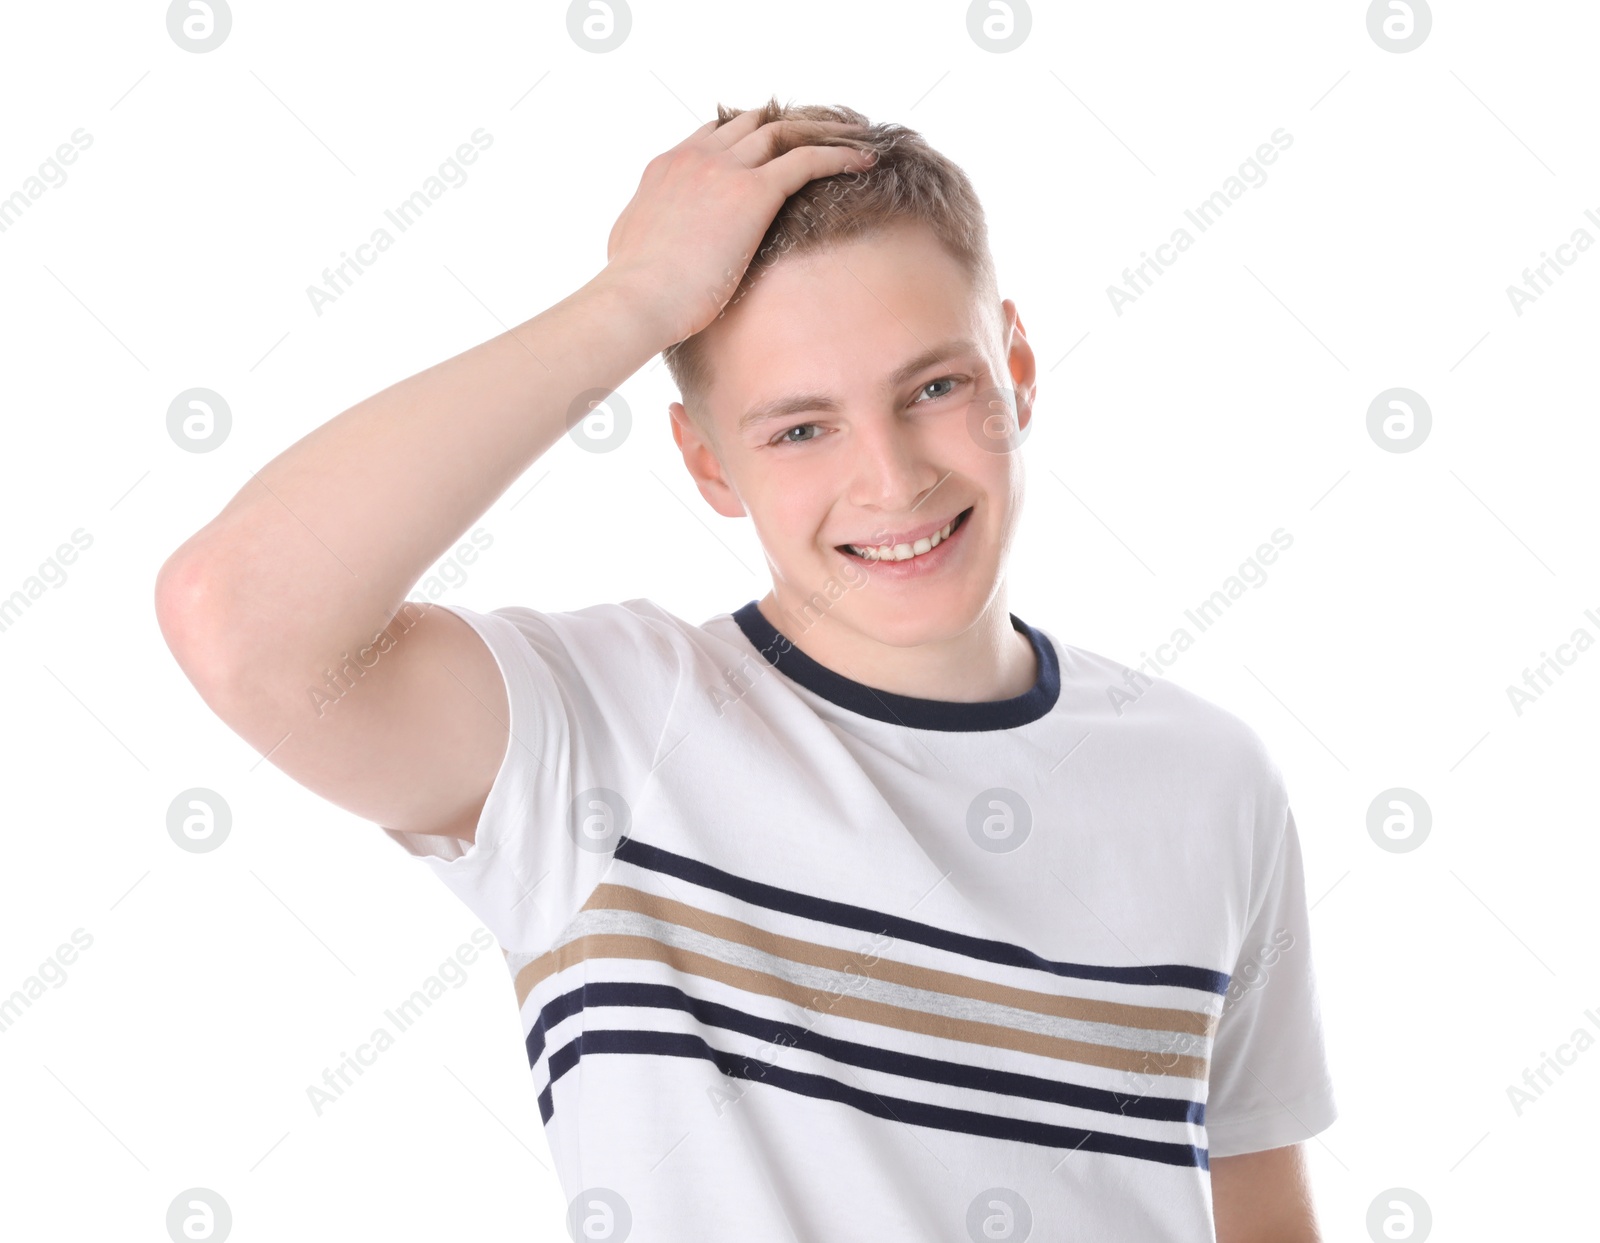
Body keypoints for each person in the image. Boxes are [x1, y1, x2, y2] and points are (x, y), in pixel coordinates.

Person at [155, 98, 1336, 1242]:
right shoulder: (606, 737)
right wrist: (633, 300)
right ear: (707, 463)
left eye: (934, 387)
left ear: (1015, 366)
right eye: (798, 427)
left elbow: (1260, 1216)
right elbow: (242, 619)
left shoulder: (1209, 777)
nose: (891, 480)